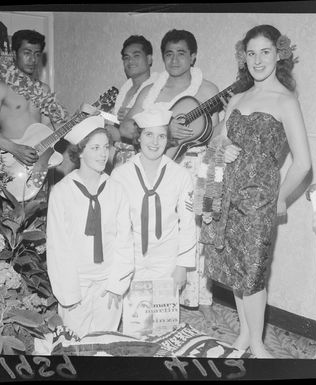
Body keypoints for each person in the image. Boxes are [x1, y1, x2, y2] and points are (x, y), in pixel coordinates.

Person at [198, 24, 312, 358]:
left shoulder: (285, 101)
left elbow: (303, 164)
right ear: (243, 57)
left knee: (253, 272)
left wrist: (279, 198)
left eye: (265, 52)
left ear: (280, 54)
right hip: (225, 196)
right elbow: (216, 139)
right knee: (235, 269)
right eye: (251, 53)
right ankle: (245, 335)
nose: (258, 60)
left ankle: (259, 344)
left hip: (258, 200)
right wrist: (223, 143)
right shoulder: (237, 96)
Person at [119, 29, 219, 316]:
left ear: (193, 56)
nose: (175, 59)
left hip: (194, 166)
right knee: (155, 225)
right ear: (162, 58)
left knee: (196, 228)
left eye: (182, 53)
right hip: (156, 165)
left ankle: (198, 298)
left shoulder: (208, 90)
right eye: (169, 54)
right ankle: (149, 295)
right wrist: (163, 131)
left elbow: (216, 135)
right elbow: (127, 127)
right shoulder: (153, 90)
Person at [46, 115, 134, 338]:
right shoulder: (62, 192)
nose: (103, 154)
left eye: (106, 147)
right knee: (73, 345)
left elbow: (125, 239)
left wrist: (117, 284)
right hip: (77, 284)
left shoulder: (116, 190)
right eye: (95, 148)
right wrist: (69, 294)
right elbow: (58, 247)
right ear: (80, 151)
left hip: (108, 283)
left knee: (105, 344)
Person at [110, 108, 196, 295]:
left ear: (168, 140)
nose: (155, 142)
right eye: (149, 134)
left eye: (161, 136)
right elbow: (112, 225)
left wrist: (182, 265)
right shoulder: (120, 175)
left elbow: (188, 224)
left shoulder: (181, 175)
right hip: (130, 258)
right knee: (134, 320)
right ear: (138, 137)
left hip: (167, 259)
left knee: (162, 321)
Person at [0, 29, 68, 167]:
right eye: (27, 53)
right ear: (14, 54)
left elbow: (46, 128)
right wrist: (15, 148)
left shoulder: (43, 90)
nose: (32, 60)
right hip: (10, 163)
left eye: (37, 54)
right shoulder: (0, 88)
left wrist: (73, 121)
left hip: (39, 163)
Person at [106, 35, 158, 168]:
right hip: (117, 156)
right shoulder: (124, 90)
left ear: (149, 59)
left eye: (136, 55)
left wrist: (136, 117)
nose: (130, 61)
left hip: (143, 158)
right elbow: (116, 126)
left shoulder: (157, 88)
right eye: (126, 57)